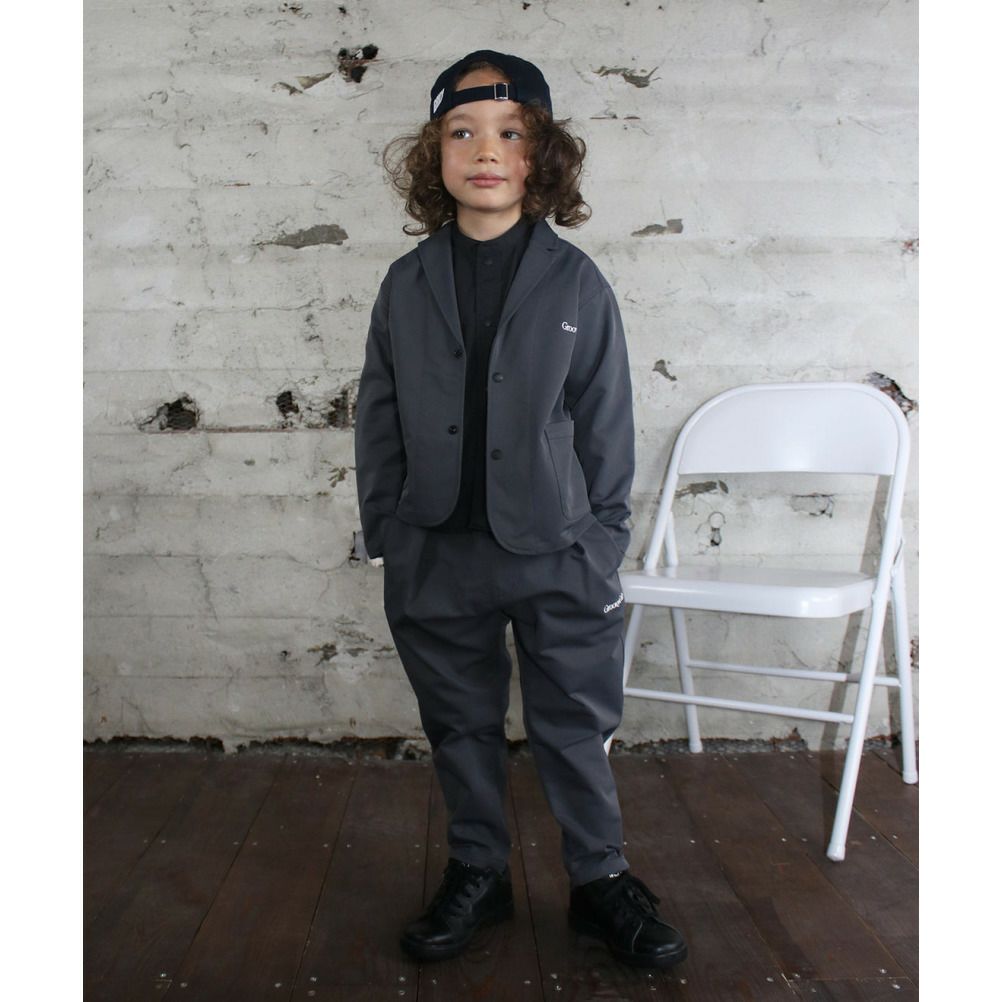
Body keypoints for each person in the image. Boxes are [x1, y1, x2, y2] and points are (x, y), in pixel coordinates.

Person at [354, 49, 687, 970]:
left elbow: (606, 417)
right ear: (435, 156)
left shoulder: (576, 281)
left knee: (573, 721)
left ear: (541, 155)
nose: (485, 151)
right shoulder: (406, 283)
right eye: (462, 133)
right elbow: (377, 412)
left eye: (510, 133)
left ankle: (600, 879)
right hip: (435, 550)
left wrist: (602, 539)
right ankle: (478, 870)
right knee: (458, 723)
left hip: (556, 549)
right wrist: (387, 533)